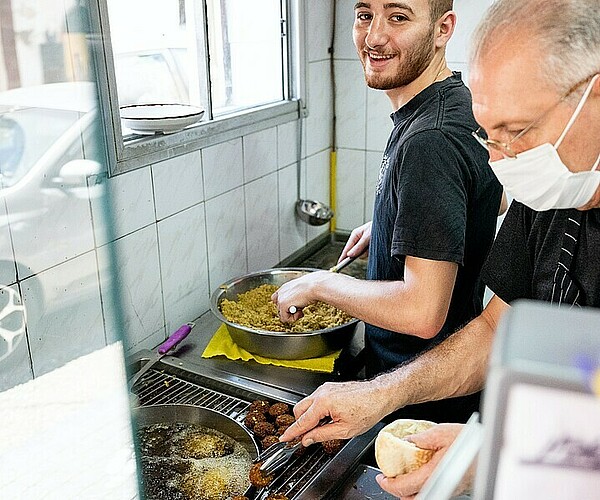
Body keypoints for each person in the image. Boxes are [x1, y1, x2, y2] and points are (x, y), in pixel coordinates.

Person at [279, 0, 600, 497]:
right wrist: (380, 394)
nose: (499, 160)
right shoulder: (552, 197)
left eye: (515, 133)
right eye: (488, 134)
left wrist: (498, 451)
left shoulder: (436, 138)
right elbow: (497, 329)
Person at [273, 0, 502, 424]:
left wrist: (321, 284)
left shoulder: (428, 139)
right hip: (445, 390)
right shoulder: (456, 101)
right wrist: (392, 221)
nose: (374, 37)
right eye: (365, 15)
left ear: (443, 28)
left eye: (398, 17)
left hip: (419, 400)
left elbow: (422, 312)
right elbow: (488, 196)